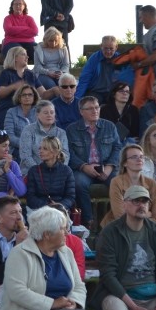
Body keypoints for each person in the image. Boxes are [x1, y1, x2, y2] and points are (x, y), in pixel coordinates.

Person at [66, 96, 122, 227]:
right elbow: (69, 152)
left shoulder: (109, 126)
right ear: (81, 112)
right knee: (78, 183)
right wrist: (84, 167)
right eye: (90, 108)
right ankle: (88, 220)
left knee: (117, 183)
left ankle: (117, 219)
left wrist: (109, 168)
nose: (95, 111)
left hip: (106, 167)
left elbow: (117, 148)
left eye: (96, 107)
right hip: (84, 169)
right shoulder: (72, 129)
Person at [100, 144, 156, 227]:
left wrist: (135, 218)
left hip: (145, 231)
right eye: (134, 157)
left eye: (141, 157)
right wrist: (146, 214)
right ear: (125, 163)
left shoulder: (151, 183)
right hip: (117, 229)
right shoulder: (116, 182)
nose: (139, 159)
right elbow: (119, 216)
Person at [0, 46, 53, 129]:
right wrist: (13, 86)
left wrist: (55, 90)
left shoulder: (30, 74)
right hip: (8, 109)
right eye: (23, 54)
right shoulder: (6, 73)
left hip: (29, 111)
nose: (27, 57)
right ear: (15, 58)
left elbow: (43, 94)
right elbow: (0, 93)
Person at [18, 99, 70, 175]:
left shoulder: (61, 132)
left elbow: (65, 155)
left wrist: (58, 170)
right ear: (37, 114)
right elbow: (26, 156)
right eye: (46, 113)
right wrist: (41, 171)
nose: (49, 115)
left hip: (56, 173)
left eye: (52, 112)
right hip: (32, 172)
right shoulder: (28, 130)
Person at [76, 36, 133, 103]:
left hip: (113, 92)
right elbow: (84, 79)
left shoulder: (121, 60)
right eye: (105, 48)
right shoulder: (94, 59)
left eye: (111, 49)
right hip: (95, 91)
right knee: (91, 103)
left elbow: (127, 79)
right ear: (101, 46)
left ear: (116, 47)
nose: (108, 51)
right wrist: (76, 99)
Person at [26, 135, 76, 211]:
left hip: (60, 210)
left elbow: (70, 197)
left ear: (55, 152)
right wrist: (47, 206)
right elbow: (30, 197)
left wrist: (58, 206)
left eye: (45, 149)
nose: (40, 151)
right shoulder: (34, 171)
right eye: (40, 148)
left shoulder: (66, 171)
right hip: (39, 210)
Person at [4, 85, 38, 161]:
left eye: (30, 95)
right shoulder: (11, 112)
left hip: (37, 148)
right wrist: (26, 145)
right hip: (16, 149)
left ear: (34, 97)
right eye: (24, 95)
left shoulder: (39, 112)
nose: (27, 97)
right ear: (19, 98)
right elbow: (9, 136)